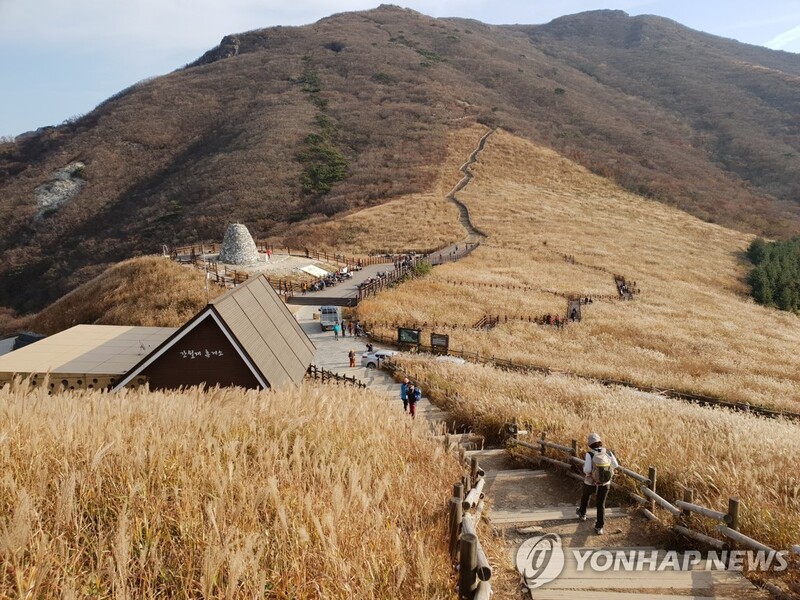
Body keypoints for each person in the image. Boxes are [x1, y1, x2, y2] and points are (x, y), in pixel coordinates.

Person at [576, 432, 619, 535]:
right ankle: (599, 527)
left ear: (590, 444)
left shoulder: (589, 454)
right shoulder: (608, 452)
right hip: (605, 482)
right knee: (601, 504)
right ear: (600, 442)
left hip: (591, 482)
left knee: (585, 496)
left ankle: (582, 513)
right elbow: (615, 465)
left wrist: (589, 471)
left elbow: (587, 470)